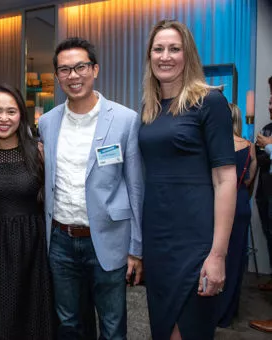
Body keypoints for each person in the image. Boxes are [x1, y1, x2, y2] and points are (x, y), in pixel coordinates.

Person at [38, 37, 144, 339]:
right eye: (65, 70)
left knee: (112, 327)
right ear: (57, 77)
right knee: (68, 323)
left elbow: (135, 187)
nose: (73, 76)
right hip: (60, 240)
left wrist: (136, 249)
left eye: (80, 67)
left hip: (108, 239)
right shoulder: (47, 122)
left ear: (94, 69)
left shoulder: (125, 120)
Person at [139, 19, 236, 339]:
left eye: (174, 49)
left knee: (189, 329)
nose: (165, 56)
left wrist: (218, 254)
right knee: (162, 330)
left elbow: (225, 179)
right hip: (157, 239)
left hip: (195, 239)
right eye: (158, 49)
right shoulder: (149, 109)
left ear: (187, 55)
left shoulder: (210, 101)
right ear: (149, 56)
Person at [0, 84, 55, 339]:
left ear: (21, 115)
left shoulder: (38, 153)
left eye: (11, 111)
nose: (3, 118)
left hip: (32, 246)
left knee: (31, 317)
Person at [218, 103, 257, 327]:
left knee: (216, 257)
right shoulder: (249, 146)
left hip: (219, 206)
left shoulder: (216, 146)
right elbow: (250, 180)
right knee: (235, 261)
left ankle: (213, 310)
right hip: (241, 204)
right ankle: (229, 312)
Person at [255, 76, 272, 291]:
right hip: (266, 193)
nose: (269, 106)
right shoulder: (267, 128)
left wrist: (268, 146)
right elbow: (259, 158)